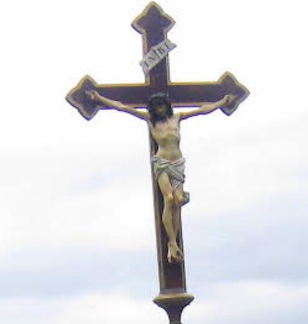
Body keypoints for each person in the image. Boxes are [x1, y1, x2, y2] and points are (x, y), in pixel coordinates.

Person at [88, 88, 235, 262]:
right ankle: (172, 243)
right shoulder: (151, 121)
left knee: (179, 201)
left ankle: (174, 242)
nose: (160, 109)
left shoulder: (177, 118)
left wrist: (221, 103)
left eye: (162, 106)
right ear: (153, 108)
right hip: (162, 163)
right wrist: (99, 98)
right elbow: (122, 107)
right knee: (170, 199)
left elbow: (202, 110)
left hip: (177, 163)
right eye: (157, 107)